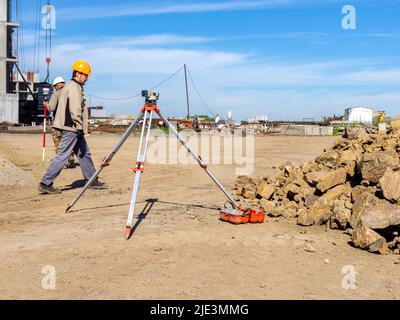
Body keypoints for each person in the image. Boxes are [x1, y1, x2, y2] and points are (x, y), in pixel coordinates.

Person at [38, 60, 107, 194]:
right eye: (85, 75)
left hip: (73, 127)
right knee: (63, 155)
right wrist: (79, 127)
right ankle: (45, 183)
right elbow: (75, 109)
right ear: (77, 74)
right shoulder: (74, 87)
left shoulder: (71, 86)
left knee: (84, 153)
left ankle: (91, 179)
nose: (87, 78)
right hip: (72, 128)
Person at [46, 76, 78, 169]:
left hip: (58, 123)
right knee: (68, 142)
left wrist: (45, 105)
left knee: (58, 142)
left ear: (58, 84)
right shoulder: (71, 92)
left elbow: (51, 108)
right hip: (71, 124)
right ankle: (71, 159)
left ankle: (62, 163)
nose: (54, 88)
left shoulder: (57, 94)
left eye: (54, 86)